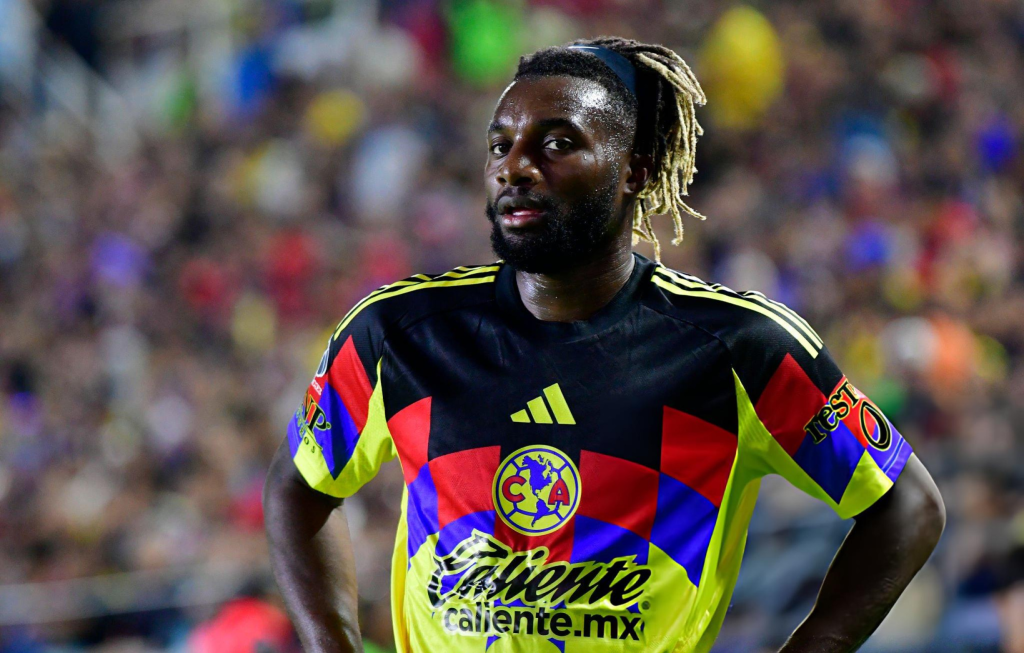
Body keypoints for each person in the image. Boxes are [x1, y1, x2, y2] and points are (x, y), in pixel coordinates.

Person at [263, 37, 946, 653]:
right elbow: (299, 486)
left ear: (635, 171)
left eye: (557, 143)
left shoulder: (738, 347)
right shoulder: (397, 334)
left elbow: (905, 504)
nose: (515, 167)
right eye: (501, 144)